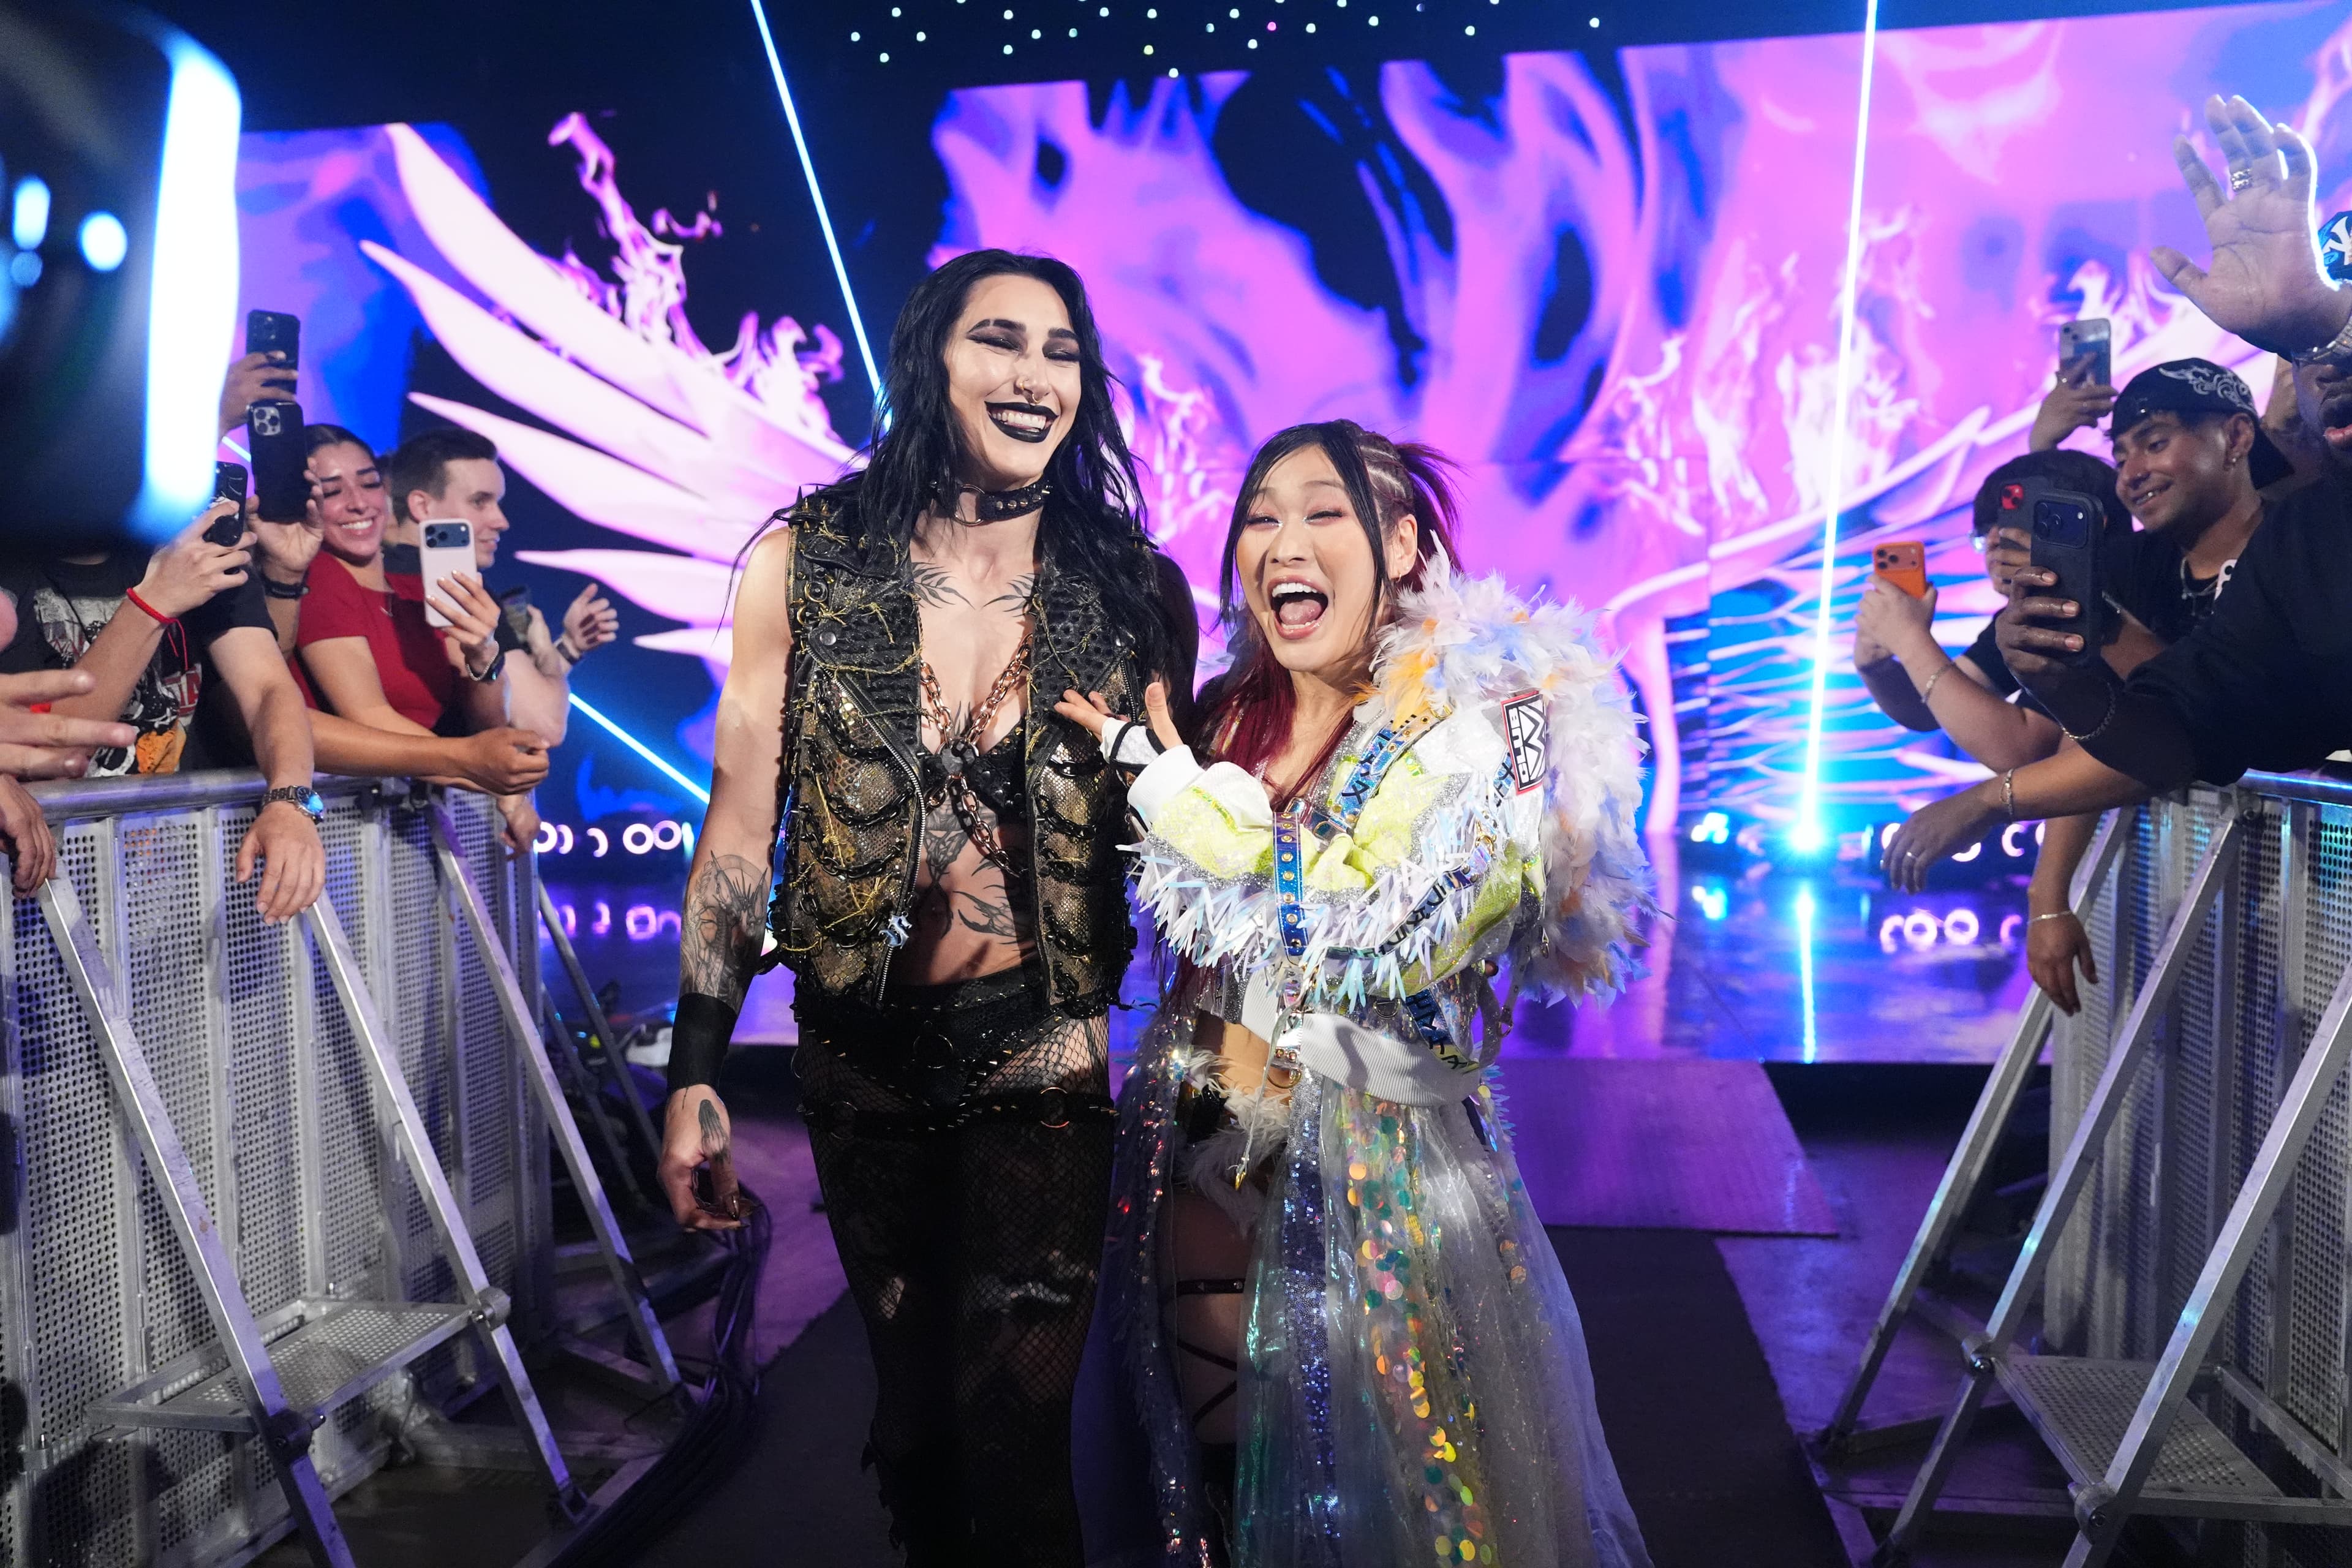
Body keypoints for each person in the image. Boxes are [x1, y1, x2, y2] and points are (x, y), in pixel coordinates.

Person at [653, 249, 1196, 1562]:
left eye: (1062, 351)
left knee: (1019, 1429)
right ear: (929, 362)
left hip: (1040, 1045)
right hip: (859, 1050)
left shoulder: (1132, 588)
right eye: (999, 339)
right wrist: (696, 1068)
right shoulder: (804, 562)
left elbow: (1179, 830)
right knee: (914, 1427)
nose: (1034, 374)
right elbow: (740, 825)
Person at [1055, 420, 1651, 1566]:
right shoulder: (1222, 714)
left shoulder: (1499, 715)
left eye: (1324, 512)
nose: (1285, 542)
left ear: (1406, 544)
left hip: (1382, 1160)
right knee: (1210, 1457)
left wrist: (1163, 785)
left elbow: (1358, 920)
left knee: (1398, 1474)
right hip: (1201, 1130)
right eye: (1261, 518)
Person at [1883, 96, 2352, 891]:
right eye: (2309, 358)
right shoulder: (2295, 546)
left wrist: (2322, 326)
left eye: (2157, 442)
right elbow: (2181, 732)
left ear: (2239, 437)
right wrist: (2070, 690)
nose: (2329, 369)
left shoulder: (2279, 520)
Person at [0, 502, 326, 920]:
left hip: (181, 881)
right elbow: (47, 758)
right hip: (45, 896)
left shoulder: (193, 544)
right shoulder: (13, 564)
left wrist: (290, 800)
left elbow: (268, 687)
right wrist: (153, 603)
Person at [293, 426, 544, 849]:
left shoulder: (415, 592)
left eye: (369, 483)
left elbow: (485, 722)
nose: (359, 502)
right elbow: (368, 716)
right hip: (341, 832)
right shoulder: (319, 577)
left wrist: (484, 654)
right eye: (332, 491)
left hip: (406, 832)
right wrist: (487, 779)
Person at [1852, 450, 2125, 770]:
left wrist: (1910, 640)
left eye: (2013, 521)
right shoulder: (2022, 615)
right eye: (1985, 530)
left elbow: (2019, 748)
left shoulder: (2115, 602)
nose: (1995, 540)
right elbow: (1931, 708)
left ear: (2086, 521)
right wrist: (1876, 668)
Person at [383, 426, 618, 745]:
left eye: (497, 502)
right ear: (422, 507)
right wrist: (547, 653)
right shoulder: (459, 590)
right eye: (480, 502)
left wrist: (570, 649)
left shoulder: (376, 577)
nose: (501, 521)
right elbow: (542, 726)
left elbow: (504, 698)